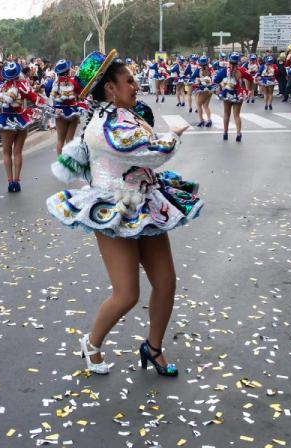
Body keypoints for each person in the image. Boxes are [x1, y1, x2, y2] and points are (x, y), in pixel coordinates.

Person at [46, 49, 202, 376]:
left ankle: (153, 347)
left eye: (134, 79)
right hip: (114, 211)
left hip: (145, 203)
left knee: (166, 282)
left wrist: (162, 136)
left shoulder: (129, 116)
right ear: (109, 89)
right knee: (127, 293)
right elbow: (146, 152)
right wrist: (171, 137)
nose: (135, 85)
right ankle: (91, 343)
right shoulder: (103, 125)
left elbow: (143, 146)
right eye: (128, 81)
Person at [0, 61, 43, 192]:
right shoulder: (23, 84)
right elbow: (34, 98)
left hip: (6, 119)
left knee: (6, 151)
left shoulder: (0, 87)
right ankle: (17, 181)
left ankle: (10, 181)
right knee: (18, 152)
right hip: (21, 118)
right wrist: (46, 102)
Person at [43, 59, 86, 156]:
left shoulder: (54, 83)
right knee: (70, 140)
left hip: (60, 112)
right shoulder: (74, 81)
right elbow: (81, 94)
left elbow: (48, 93)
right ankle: (70, 165)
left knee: (60, 140)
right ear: (68, 70)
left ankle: (61, 165)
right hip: (73, 111)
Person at [215, 54, 249, 140]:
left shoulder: (224, 71)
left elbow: (215, 80)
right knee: (237, 115)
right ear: (238, 62)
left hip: (227, 94)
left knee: (226, 114)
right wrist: (249, 89)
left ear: (229, 61)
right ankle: (238, 134)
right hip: (238, 94)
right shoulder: (242, 70)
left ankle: (225, 133)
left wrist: (221, 86)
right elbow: (251, 78)